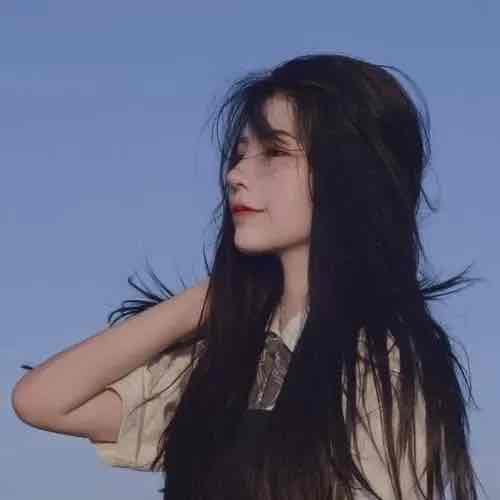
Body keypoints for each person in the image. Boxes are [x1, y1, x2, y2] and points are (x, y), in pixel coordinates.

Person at [12, 52, 483, 500]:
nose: (236, 175)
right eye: (239, 154)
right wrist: (206, 302)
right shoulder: (224, 359)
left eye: (274, 152)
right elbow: (43, 401)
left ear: (350, 174)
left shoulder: (382, 361)